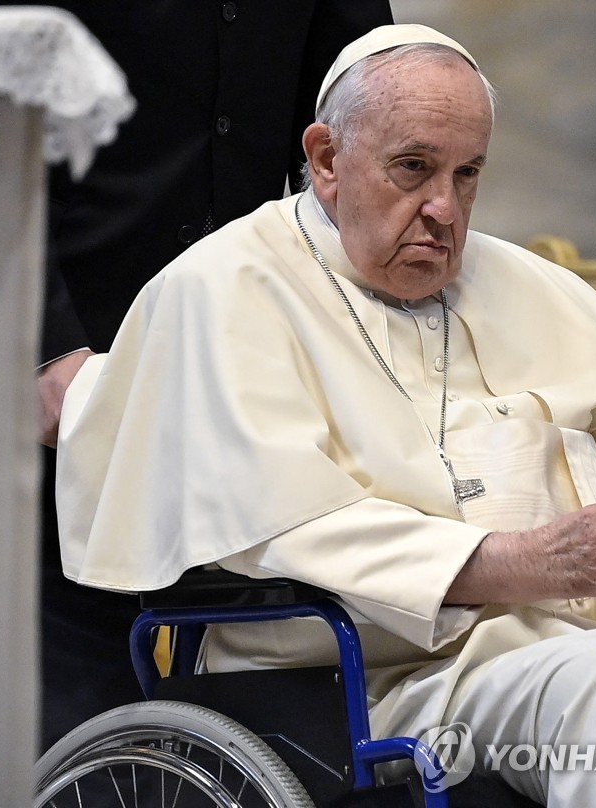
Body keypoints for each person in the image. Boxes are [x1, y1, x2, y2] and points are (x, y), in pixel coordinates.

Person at [54, 23, 596, 807]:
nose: (444, 208)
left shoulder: (537, 286)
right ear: (328, 159)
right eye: (414, 169)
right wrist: (528, 560)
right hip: (386, 676)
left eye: (467, 175)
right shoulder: (224, 288)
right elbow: (292, 528)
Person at [26, 1, 395, 750]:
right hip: (72, 368)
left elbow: (365, 115)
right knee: (79, 730)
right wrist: (43, 347)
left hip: (248, 381)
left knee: (261, 722)